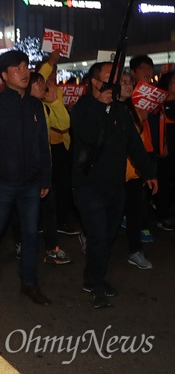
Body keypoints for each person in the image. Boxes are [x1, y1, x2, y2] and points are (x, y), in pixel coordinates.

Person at [70, 62, 157, 309]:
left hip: (114, 187)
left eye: (118, 77)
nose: (117, 82)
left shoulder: (121, 111)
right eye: (110, 78)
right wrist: (100, 106)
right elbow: (88, 134)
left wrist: (148, 172)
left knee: (107, 236)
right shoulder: (83, 108)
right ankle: (96, 284)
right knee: (98, 234)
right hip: (88, 186)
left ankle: (93, 275)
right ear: (96, 83)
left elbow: (133, 145)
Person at [0, 50, 52, 305]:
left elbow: (43, 145)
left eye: (25, 67)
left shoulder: (35, 106)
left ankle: (29, 283)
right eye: (17, 68)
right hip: (2, 182)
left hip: (31, 183)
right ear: (4, 75)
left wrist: (45, 178)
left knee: (30, 233)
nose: (24, 72)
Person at [26, 72, 72, 265]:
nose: (45, 87)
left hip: (44, 170)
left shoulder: (44, 108)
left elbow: (64, 125)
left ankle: (52, 247)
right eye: (41, 83)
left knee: (49, 209)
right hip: (23, 172)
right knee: (23, 212)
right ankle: (23, 244)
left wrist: (55, 103)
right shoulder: (19, 107)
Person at [118, 72, 153, 269]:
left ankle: (135, 251)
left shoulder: (135, 108)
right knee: (109, 213)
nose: (128, 85)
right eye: (123, 82)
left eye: (130, 82)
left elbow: (138, 141)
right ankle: (91, 237)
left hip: (133, 172)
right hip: (114, 172)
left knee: (134, 212)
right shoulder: (108, 108)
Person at [150, 71, 175, 231]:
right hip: (166, 151)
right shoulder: (159, 103)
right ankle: (161, 215)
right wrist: (162, 146)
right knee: (165, 183)